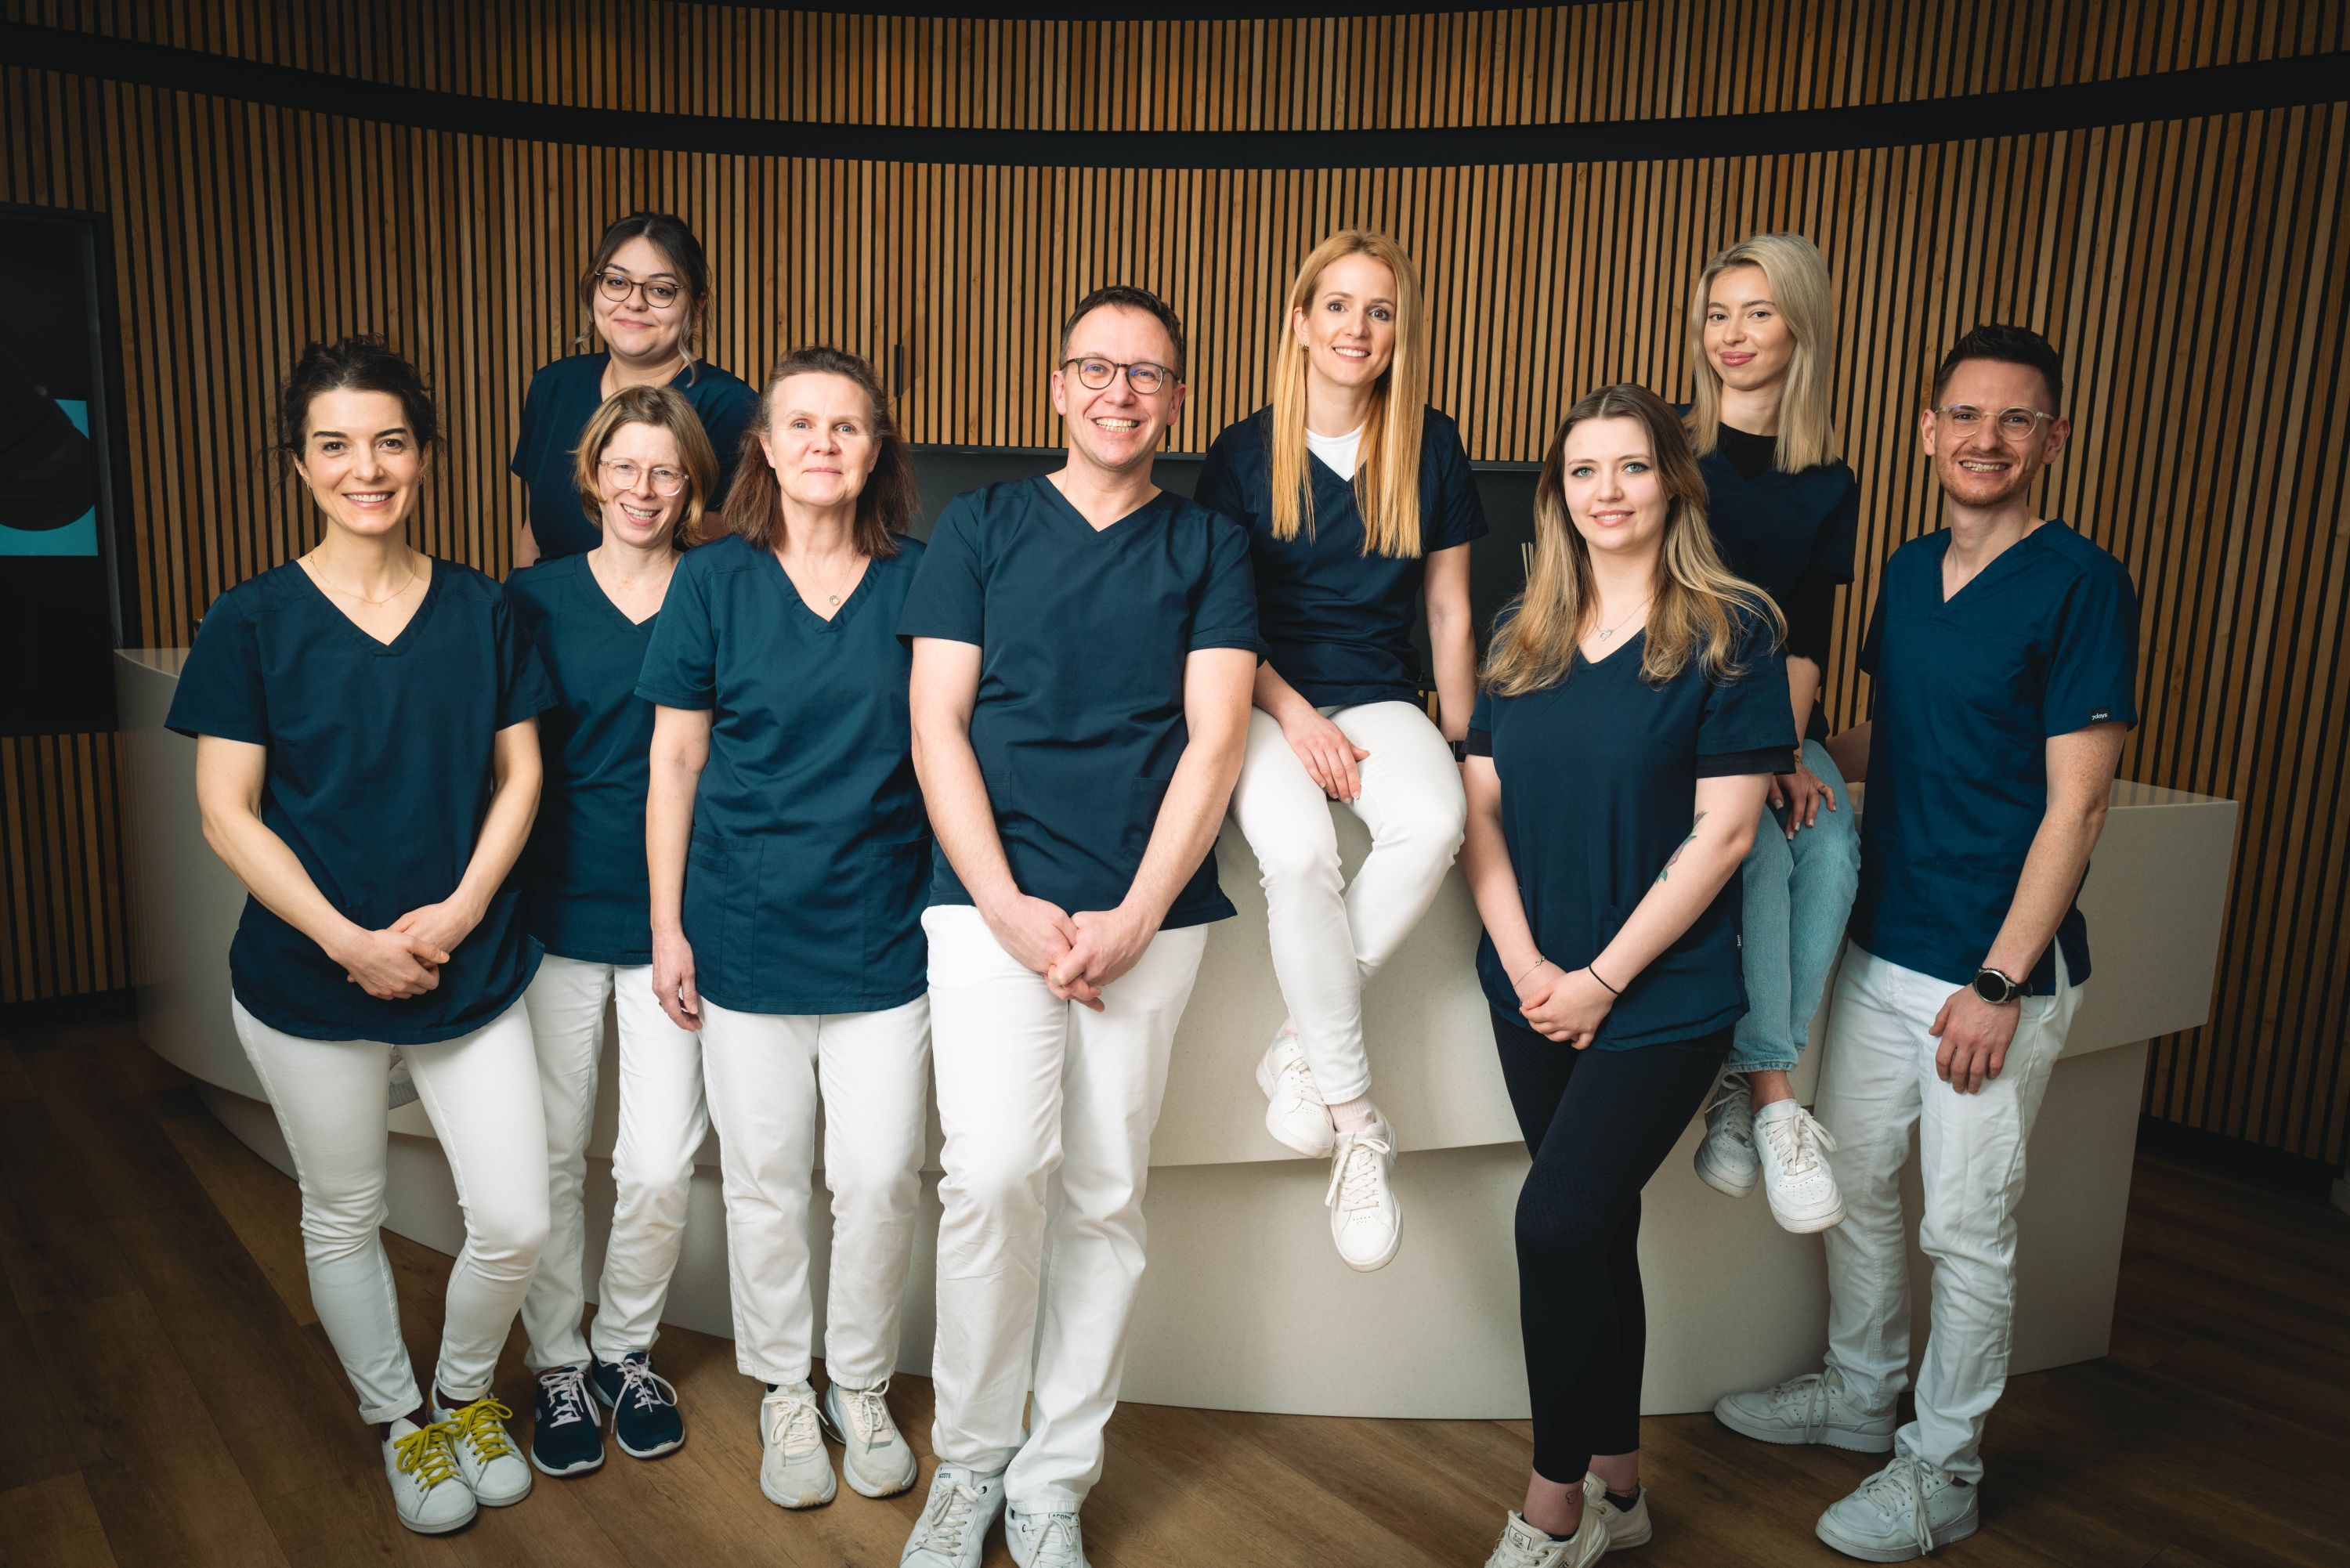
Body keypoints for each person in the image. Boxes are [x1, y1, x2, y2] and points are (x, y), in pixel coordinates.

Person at [1713, 325, 2138, 1563]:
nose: (1987, 439)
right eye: (1965, 415)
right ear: (1926, 430)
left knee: (1965, 1229)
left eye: (2015, 420)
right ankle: (1857, 1395)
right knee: (1849, 1190)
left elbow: (2081, 804)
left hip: (1987, 972)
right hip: (1881, 943)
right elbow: (1895, 736)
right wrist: (1778, 765)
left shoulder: (2081, 583)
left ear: (2053, 440)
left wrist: (1999, 981)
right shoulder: (1904, 571)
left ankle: (1941, 1467)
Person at [895, 286, 1257, 1568]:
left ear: (1174, 397)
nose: (1120, 392)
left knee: (1102, 1195)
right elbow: (936, 721)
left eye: (1147, 374)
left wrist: (1138, 914)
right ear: (1058, 386)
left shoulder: (1207, 545)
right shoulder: (980, 525)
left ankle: (1052, 1480)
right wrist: (1002, 903)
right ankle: (973, 1465)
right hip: (988, 903)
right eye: (1097, 368)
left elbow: (1217, 741)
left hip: (1147, 914)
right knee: (994, 1176)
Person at [168, 337, 552, 1535]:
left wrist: (463, 909)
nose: (365, 466)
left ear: (426, 456)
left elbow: (521, 775)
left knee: (518, 1218)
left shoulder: (485, 608)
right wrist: (349, 939)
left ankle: (460, 1392)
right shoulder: (252, 620)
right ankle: (400, 1423)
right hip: (307, 973)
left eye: (389, 440)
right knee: (340, 1209)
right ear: (299, 462)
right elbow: (225, 812)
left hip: (465, 963)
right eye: (334, 444)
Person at [1459, 384, 1793, 1568]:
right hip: (1530, 987)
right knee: (1596, 1228)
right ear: (1557, 494)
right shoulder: (1522, 633)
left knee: (1553, 1221)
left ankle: (1554, 1509)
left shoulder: (1731, 630)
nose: (1608, 490)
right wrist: (1527, 962)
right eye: (1584, 470)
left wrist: (1599, 977)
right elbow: (1479, 807)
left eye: (1633, 467)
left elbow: (1727, 836)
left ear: (1673, 485)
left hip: (1660, 995)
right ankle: (1624, 1486)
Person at [639, 346, 933, 1512]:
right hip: (743, 926)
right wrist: (667, 924)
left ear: (875, 451)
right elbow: (675, 759)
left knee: (873, 1177)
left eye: (847, 427)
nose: (823, 443)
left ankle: (858, 1380)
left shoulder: (920, 580)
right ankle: (781, 1384)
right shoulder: (713, 580)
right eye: (800, 423)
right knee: (764, 1179)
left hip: (883, 927)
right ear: (761, 444)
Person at [1194, 229, 1481, 1271]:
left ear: (1400, 331)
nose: (1358, 328)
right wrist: (1295, 714)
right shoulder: (1239, 451)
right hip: (1263, 695)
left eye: (1381, 310)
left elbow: (1449, 609)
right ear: (1301, 323)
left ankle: (1303, 1047)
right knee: (1301, 853)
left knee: (1438, 818)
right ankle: (1358, 1120)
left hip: (1379, 688)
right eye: (1339, 306)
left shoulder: (1430, 442)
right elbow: (1220, 621)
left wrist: (1464, 741)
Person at [507, 385, 718, 1478]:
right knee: (546, 1152)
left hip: (675, 922)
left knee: (656, 1158)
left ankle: (626, 1347)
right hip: (549, 913)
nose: (643, 490)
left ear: (693, 486)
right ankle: (555, 1358)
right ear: (592, 475)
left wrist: (679, 919)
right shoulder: (530, 598)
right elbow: (500, 766)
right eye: (625, 468)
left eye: (666, 471)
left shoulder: (722, 588)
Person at [1682, 233, 1863, 1234]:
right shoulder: (1668, 446)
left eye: (1757, 312)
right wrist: (1756, 761)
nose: (1734, 335)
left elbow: (1811, 637)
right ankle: (1774, 1100)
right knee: (1752, 847)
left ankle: (1748, 1086)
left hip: (1781, 713)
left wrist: (1788, 751)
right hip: (1685, 712)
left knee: (1831, 846)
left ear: (1801, 325)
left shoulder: (1829, 476)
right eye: (1718, 314)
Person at [511, 211, 757, 565]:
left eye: (660, 290)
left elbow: (736, 548)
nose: (634, 302)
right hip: (549, 609)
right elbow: (534, 531)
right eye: (616, 282)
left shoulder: (730, 405)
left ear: (697, 306)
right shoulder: (553, 387)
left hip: (669, 615)